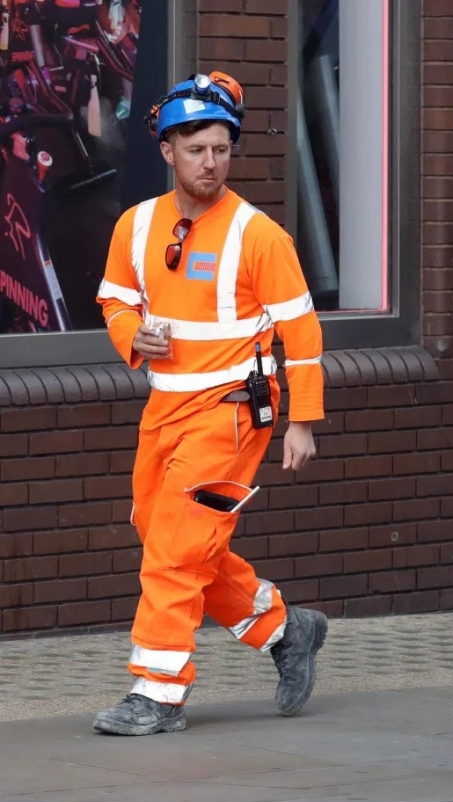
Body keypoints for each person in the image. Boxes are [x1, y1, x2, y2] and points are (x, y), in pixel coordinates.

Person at [93, 71, 327, 736]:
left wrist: (302, 421)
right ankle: (284, 629)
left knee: (173, 546)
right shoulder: (136, 225)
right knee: (162, 531)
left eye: (222, 148)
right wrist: (129, 335)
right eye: (196, 149)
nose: (211, 162)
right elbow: (115, 297)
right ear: (167, 150)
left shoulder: (260, 236)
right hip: (166, 404)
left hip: (230, 410)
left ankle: (158, 692)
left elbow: (301, 334)